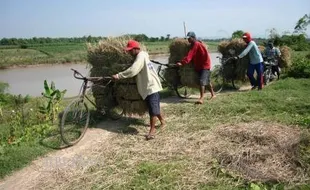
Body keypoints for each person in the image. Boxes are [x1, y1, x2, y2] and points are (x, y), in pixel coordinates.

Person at [112, 40, 165, 140]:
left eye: (130, 50)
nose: (129, 52)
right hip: (150, 86)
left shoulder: (140, 56)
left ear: (136, 49)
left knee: (152, 110)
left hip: (151, 86)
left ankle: (152, 131)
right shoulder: (143, 55)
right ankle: (163, 122)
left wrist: (119, 76)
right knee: (153, 106)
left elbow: (133, 70)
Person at [176, 31, 215, 104]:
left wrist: (182, 63)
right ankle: (213, 94)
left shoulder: (196, 44)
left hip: (204, 65)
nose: (188, 40)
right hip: (199, 65)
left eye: (189, 38)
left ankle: (201, 98)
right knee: (207, 81)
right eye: (187, 38)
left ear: (193, 38)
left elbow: (190, 55)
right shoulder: (194, 44)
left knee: (202, 82)